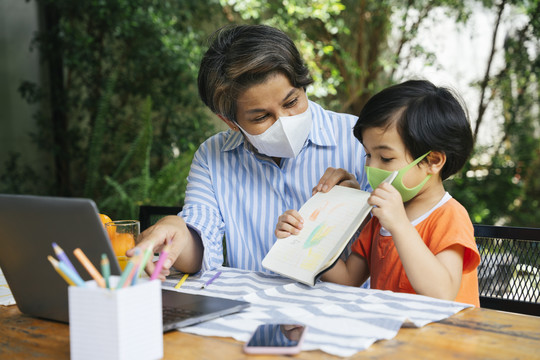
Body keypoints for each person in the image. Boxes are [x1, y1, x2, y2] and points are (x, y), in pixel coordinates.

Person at [129, 24, 370, 279]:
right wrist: (175, 229)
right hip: (252, 315)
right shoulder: (213, 157)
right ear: (230, 122)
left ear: (303, 86)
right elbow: (200, 240)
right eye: (261, 117)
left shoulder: (361, 140)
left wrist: (359, 209)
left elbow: (397, 238)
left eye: (291, 102)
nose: (284, 121)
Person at [275, 80, 480, 306]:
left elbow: (442, 294)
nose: (372, 168)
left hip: (443, 339)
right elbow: (348, 279)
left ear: (433, 161)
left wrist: (400, 225)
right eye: (368, 155)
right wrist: (304, 239)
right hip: (393, 336)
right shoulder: (379, 219)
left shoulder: (449, 217)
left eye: (386, 158)